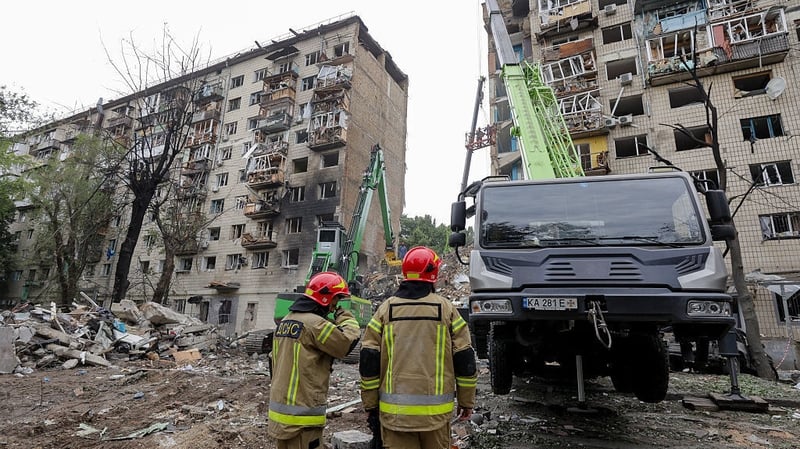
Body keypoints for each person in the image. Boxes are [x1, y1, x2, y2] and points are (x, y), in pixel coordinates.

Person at [360, 246, 477, 449]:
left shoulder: (385, 309)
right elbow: (465, 359)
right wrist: (466, 401)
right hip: (436, 417)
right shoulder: (446, 309)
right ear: (433, 273)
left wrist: (370, 404)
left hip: (395, 416)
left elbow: (369, 360)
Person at [268, 271, 361, 449]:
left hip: (281, 415)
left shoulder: (285, 321)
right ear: (326, 298)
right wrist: (346, 318)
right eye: (335, 300)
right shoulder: (315, 325)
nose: (335, 306)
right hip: (302, 417)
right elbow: (345, 344)